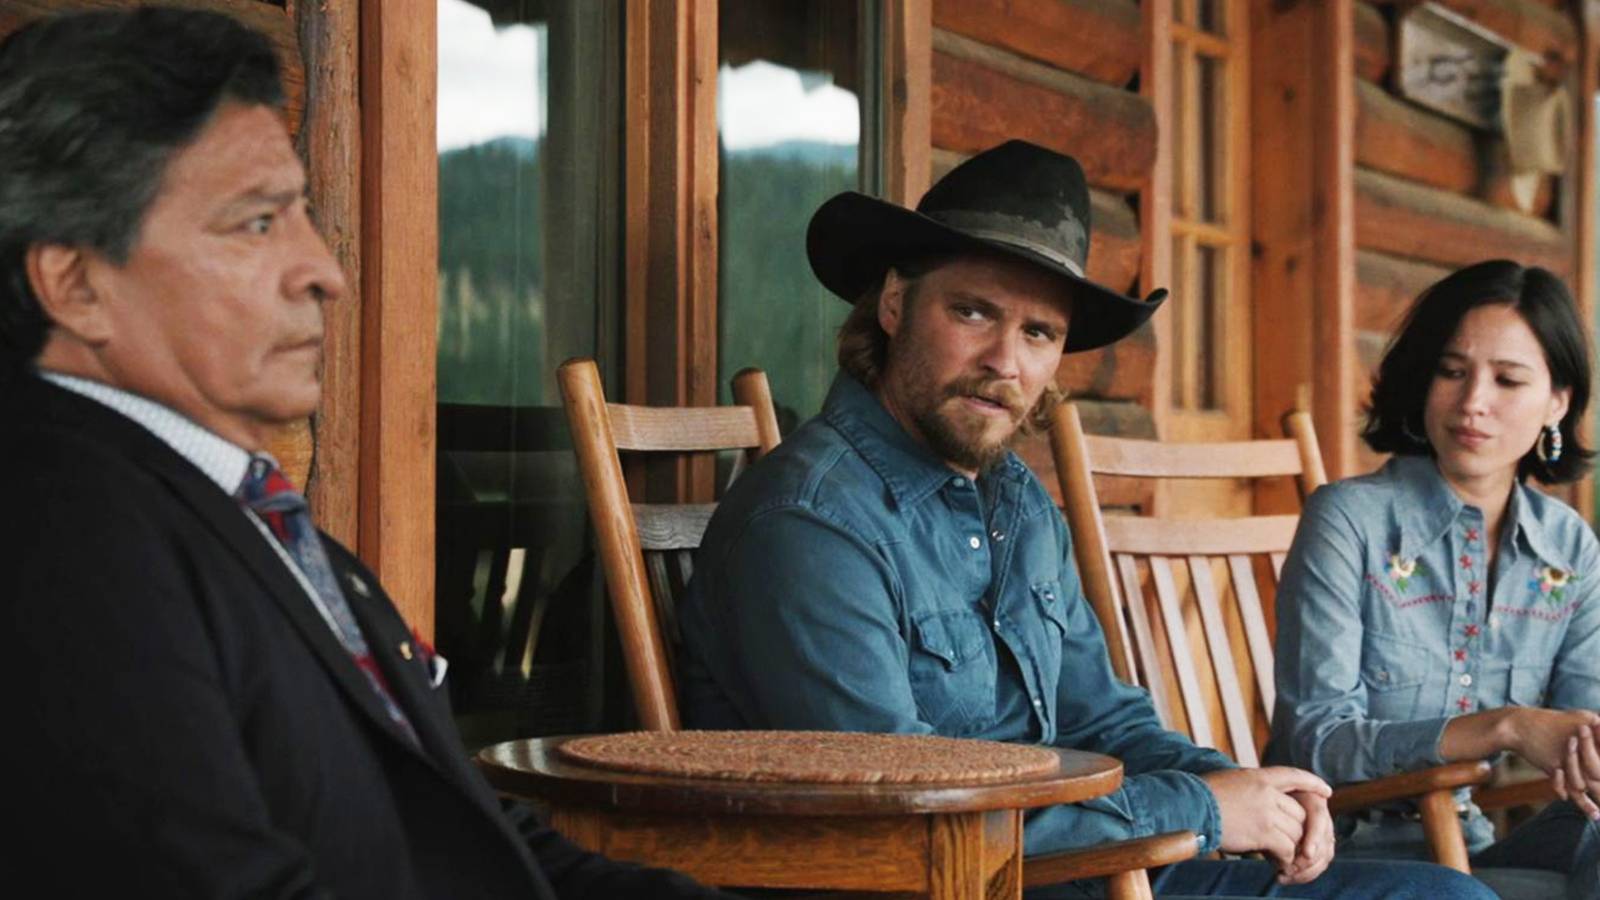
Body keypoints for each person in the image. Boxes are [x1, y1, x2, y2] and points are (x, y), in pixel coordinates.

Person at [0, 9, 733, 898]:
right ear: (74, 284)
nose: (325, 271)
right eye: (257, 223)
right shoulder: (64, 532)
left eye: (303, 215)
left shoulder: (241, 516)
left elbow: (467, 840)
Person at [676, 139, 1492, 899]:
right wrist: (1201, 810)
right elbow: (908, 814)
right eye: (973, 313)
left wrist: (1243, 792)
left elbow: (1100, 715)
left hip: (1090, 865)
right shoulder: (810, 525)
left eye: (1039, 333)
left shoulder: (1015, 500)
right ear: (894, 303)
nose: (1005, 362)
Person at [1267, 259, 1600, 899]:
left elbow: (1584, 734)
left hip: (1468, 849)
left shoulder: (1567, 549)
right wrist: (1504, 726)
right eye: (1452, 372)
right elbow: (1318, 743)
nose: (1473, 402)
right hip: (1339, 857)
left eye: (1507, 380)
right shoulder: (1350, 521)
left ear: (1557, 402)